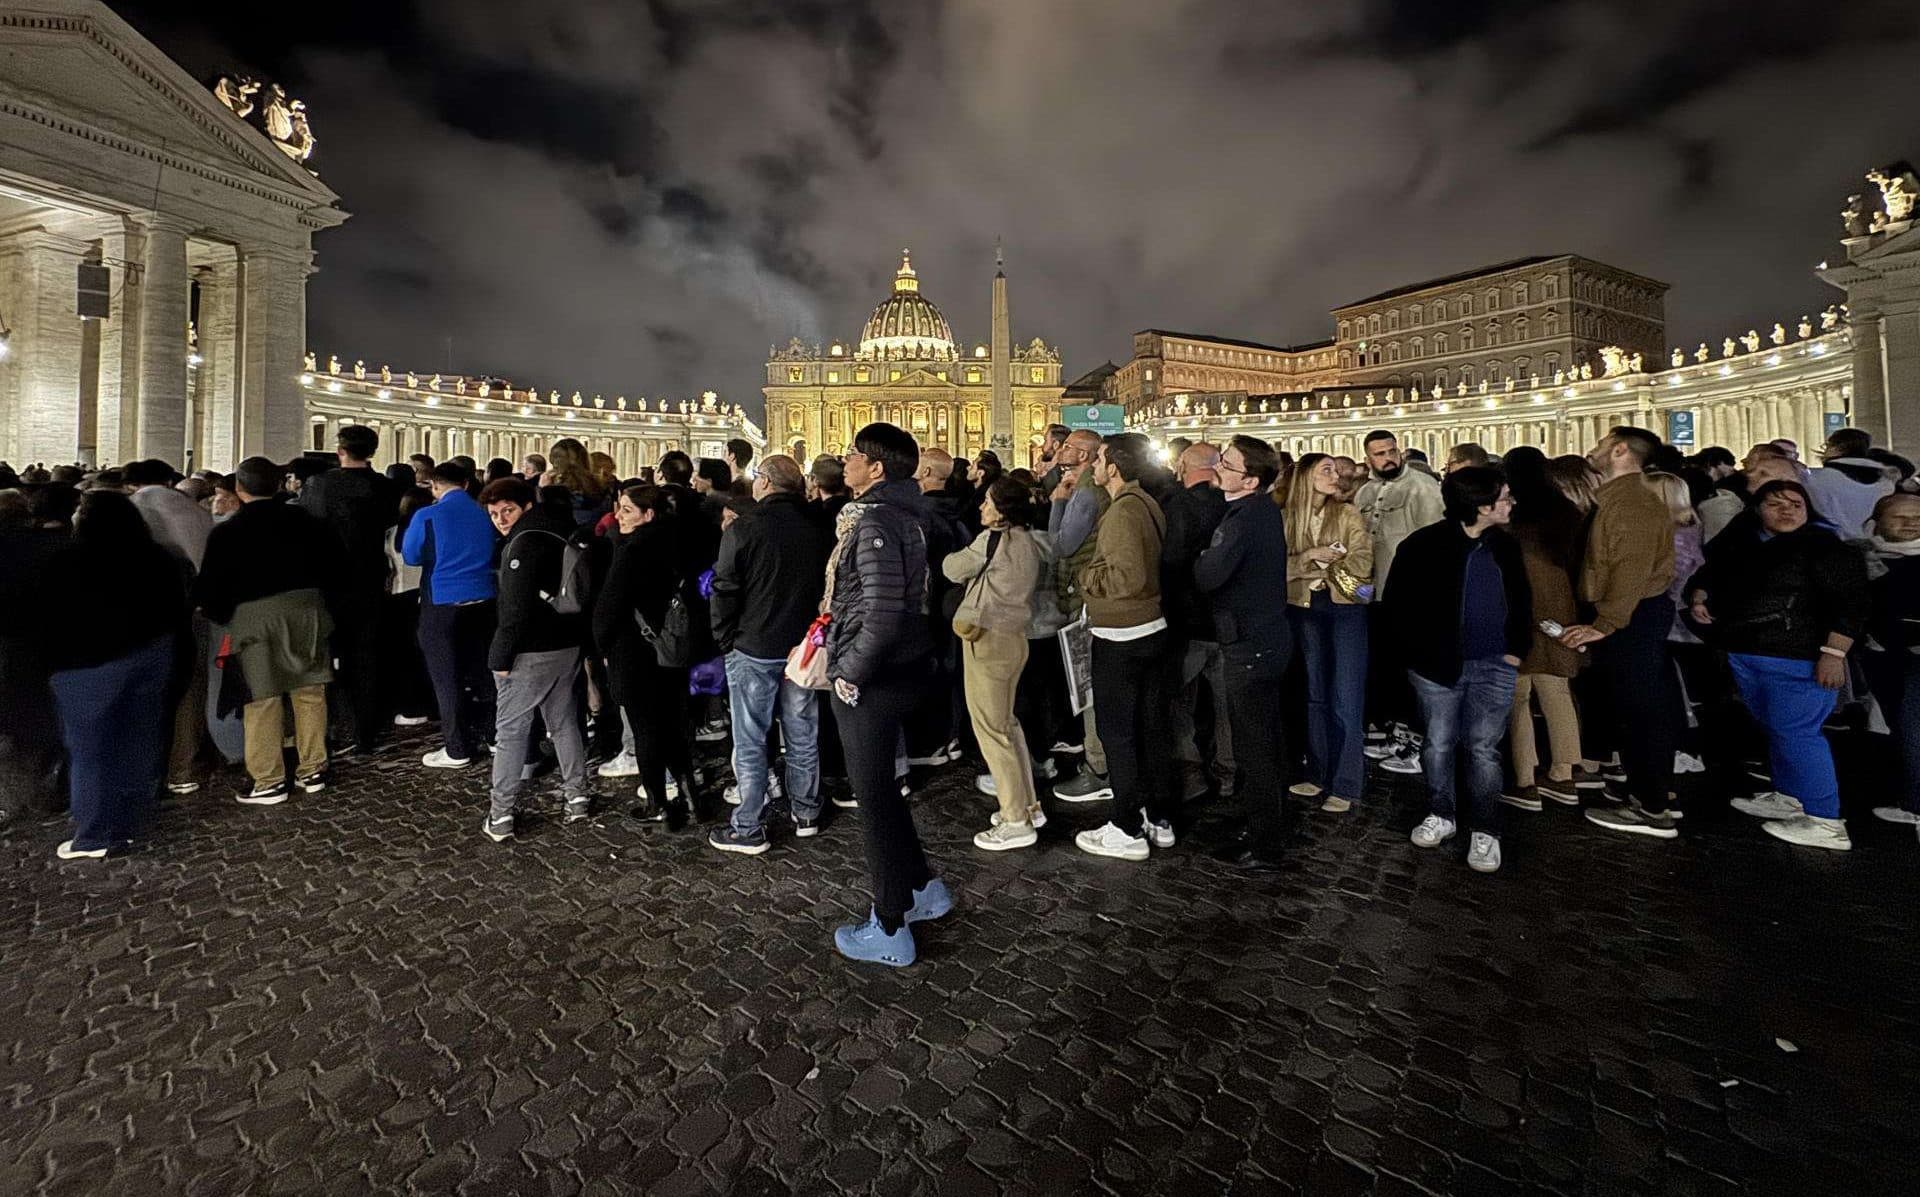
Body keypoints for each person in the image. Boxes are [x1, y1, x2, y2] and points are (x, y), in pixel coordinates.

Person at [825, 423, 949, 967]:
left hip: (875, 675)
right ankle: (923, 888)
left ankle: (891, 925)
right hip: (905, 664)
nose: (844, 460)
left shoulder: (874, 520)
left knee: (873, 799)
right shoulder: (907, 514)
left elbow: (880, 609)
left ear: (876, 468)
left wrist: (849, 671)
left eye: (853, 454)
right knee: (885, 795)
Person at [1686, 480, 1868, 850]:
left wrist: (1834, 653)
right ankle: (1791, 797)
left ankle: (1825, 820)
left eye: (1795, 504)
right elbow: (1712, 570)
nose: (1786, 511)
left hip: (1798, 655)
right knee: (1779, 729)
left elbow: (1851, 604)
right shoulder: (1741, 540)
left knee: (1798, 733)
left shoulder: (1824, 547)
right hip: (1748, 650)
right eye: (1775, 504)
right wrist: (1701, 594)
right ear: (1757, 509)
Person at [1384, 468, 1532, 873]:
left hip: (1495, 663)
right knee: (1438, 744)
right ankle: (1441, 813)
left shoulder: (1506, 546)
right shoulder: (1422, 546)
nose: (1511, 503)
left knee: (1483, 749)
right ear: (1481, 506)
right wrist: (1415, 656)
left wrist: (1516, 650)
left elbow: (1521, 599)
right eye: (1504, 497)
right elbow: (1398, 606)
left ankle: (1486, 828)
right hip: (1436, 667)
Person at [38, 490, 186, 858]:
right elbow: (175, 608)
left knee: (91, 752)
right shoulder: (158, 557)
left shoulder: (65, 560)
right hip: (150, 657)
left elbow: (41, 616)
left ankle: (94, 834)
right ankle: (129, 822)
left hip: (87, 666)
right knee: (139, 740)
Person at [196, 456, 342, 804]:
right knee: (310, 691)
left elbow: (212, 589)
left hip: (254, 616)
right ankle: (313, 768)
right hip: (308, 609)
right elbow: (336, 566)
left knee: (261, 698)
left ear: (239, 489)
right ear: (279, 485)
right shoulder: (309, 522)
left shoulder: (227, 532)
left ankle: (269, 779)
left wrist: (222, 615)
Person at [706, 456, 831, 855]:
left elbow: (725, 589)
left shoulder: (745, 528)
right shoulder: (818, 526)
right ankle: (807, 812)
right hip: (802, 648)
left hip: (754, 645)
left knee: (750, 738)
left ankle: (748, 825)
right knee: (802, 732)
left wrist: (724, 638)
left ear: (764, 482)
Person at [1562, 427, 1682, 839]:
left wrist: (1605, 623)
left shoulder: (1631, 501)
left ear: (1619, 450)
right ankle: (1649, 792)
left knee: (1639, 710)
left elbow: (1631, 566)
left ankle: (1651, 807)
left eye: (1600, 444)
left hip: (1632, 615)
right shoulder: (1626, 497)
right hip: (1634, 612)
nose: (1592, 449)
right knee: (1635, 707)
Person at [1074, 432, 1178, 862]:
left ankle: (1126, 827)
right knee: (1151, 728)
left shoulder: (1122, 511)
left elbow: (1127, 578)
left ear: (1113, 467)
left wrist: (1086, 578)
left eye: (1099, 459)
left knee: (1117, 733)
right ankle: (1159, 816)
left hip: (1122, 635)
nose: (1094, 466)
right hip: (1151, 627)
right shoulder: (1146, 503)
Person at [1195, 435, 1294, 870]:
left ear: (1250, 480)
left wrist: (1203, 557)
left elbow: (1208, 574)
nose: (1218, 467)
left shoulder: (1244, 518)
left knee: (1255, 746)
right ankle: (1263, 823)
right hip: (1264, 639)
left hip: (1249, 645)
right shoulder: (1258, 511)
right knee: (1265, 740)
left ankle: (1265, 844)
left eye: (1227, 464)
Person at [475, 477, 592, 840]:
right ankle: (577, 796)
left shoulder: (522, 543)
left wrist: (499, 657)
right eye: (493, 513)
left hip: (529, 651)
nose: (500, 519)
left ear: (526, 506)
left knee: (511, 732)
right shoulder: (561, 528)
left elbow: (514, 610)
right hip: (567, 643)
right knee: (564, 722)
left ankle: (501, 814)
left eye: (507, 510)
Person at [946, 476, 1046, 851]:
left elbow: (952, 568)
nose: (981, 506)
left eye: (988, 501)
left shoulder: (991, 540)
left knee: (992, 731)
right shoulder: (1030, 540)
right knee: (1008, 725)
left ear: (1003, 512)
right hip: (1016, 637)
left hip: (987, 640)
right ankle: (1028, 805)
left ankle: (1015, 819)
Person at [594, 484, 701, 821]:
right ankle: (690, 798)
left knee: (646, 730)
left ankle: (657, 803)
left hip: (634, 651)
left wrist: (601, 646)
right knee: (674, 725)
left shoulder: (632, 550)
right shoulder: (681, 542)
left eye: (627, 510)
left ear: (648, 514)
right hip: (672, 647)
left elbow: (608, 608)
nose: (619, 516)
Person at [296, 424, 399, 756]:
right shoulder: (386, 487)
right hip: (370, 578)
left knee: (326, 655)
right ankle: (365, 730)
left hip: (329, 581)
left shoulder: (319, 485)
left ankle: (332, 727)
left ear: (340, 450)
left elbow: (307, 529)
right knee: (367, 656)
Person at [1283, 452, 1373, 814]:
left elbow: (1363, 560)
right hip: (1304, 608)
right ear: (1306, 477)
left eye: (1336, 470)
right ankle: (1318, 773)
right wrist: (1309, 557)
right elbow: (1280, 567)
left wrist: (1315, 568)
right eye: (1327, 470)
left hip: (1346, 607)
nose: (1336, 476)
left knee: (1346, 697)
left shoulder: (1347, 513)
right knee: (1315, 694)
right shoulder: (1286, 519)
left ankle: (1346, 783)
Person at [1500, 447, 1589, 808]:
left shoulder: (1512, 521)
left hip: (1520, 609)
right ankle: (1564, 774)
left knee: (1517, 696)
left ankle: (1524, 779)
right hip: (1561, 607)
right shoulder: (1568, 513)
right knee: (1557, 690)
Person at [1354, 430, 1444, 773]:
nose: (1388, 458)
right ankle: (1388, 731)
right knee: (1385, 668)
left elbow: (1434, 544)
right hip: (1374, 594)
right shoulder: (1365, 492)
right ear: (1369, 458)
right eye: (1380, 453)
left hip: (1411, 595)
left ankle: (1415, 742)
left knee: (1412, 672)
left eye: (1392, 451)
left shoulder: (1423, 487)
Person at [403, 461, 499, 768]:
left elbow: (411, 555)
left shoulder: (427, 515)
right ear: (467, 484)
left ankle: (457, 748)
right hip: (484, 598)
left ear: (434, 486)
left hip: (442, 600)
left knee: (446, 677)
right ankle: (495, 736)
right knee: (484, 671)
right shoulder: (484, 513)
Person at [126, 458, 213, 794]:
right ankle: (184, 768)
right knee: (190, 690)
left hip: (147, 615)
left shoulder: (133, 510)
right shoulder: (196, 511)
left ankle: (146, 773)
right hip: (196, 609)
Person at [1161, 442, 1233, 802]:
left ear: (1183, 466)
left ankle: (1190, 773)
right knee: (1226, 705)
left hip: (1187, 622)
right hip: (1227, 621)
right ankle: (1228, 771)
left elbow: (1171, 561)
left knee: (1179, 701)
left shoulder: (1178, 505)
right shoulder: (1234, 504)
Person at [1045, 429, 1114, 800]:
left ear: (1085, 455)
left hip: (1082, 593)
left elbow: (1061, 546)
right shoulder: (1086, 487)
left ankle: (1097, 767)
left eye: (1069, 446)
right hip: (1086, 591)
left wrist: (1057, 504)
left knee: (1086, 685)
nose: (1061, 449)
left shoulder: (1085, 494)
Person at [1862, 493, 1920, 830]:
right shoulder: (1860, 557)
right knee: (1900, 723)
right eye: (1900, 517)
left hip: (1912, 656)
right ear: (1876, 523)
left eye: (1918, 517)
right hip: (1882, 655)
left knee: (1913, 726)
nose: (1911, 523)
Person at [1806, 427, 1897, 539]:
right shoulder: (1887, 481)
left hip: (1832, 541)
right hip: (1875, 542)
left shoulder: (1816, 478)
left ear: (1836, 448)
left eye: (1827, 446)